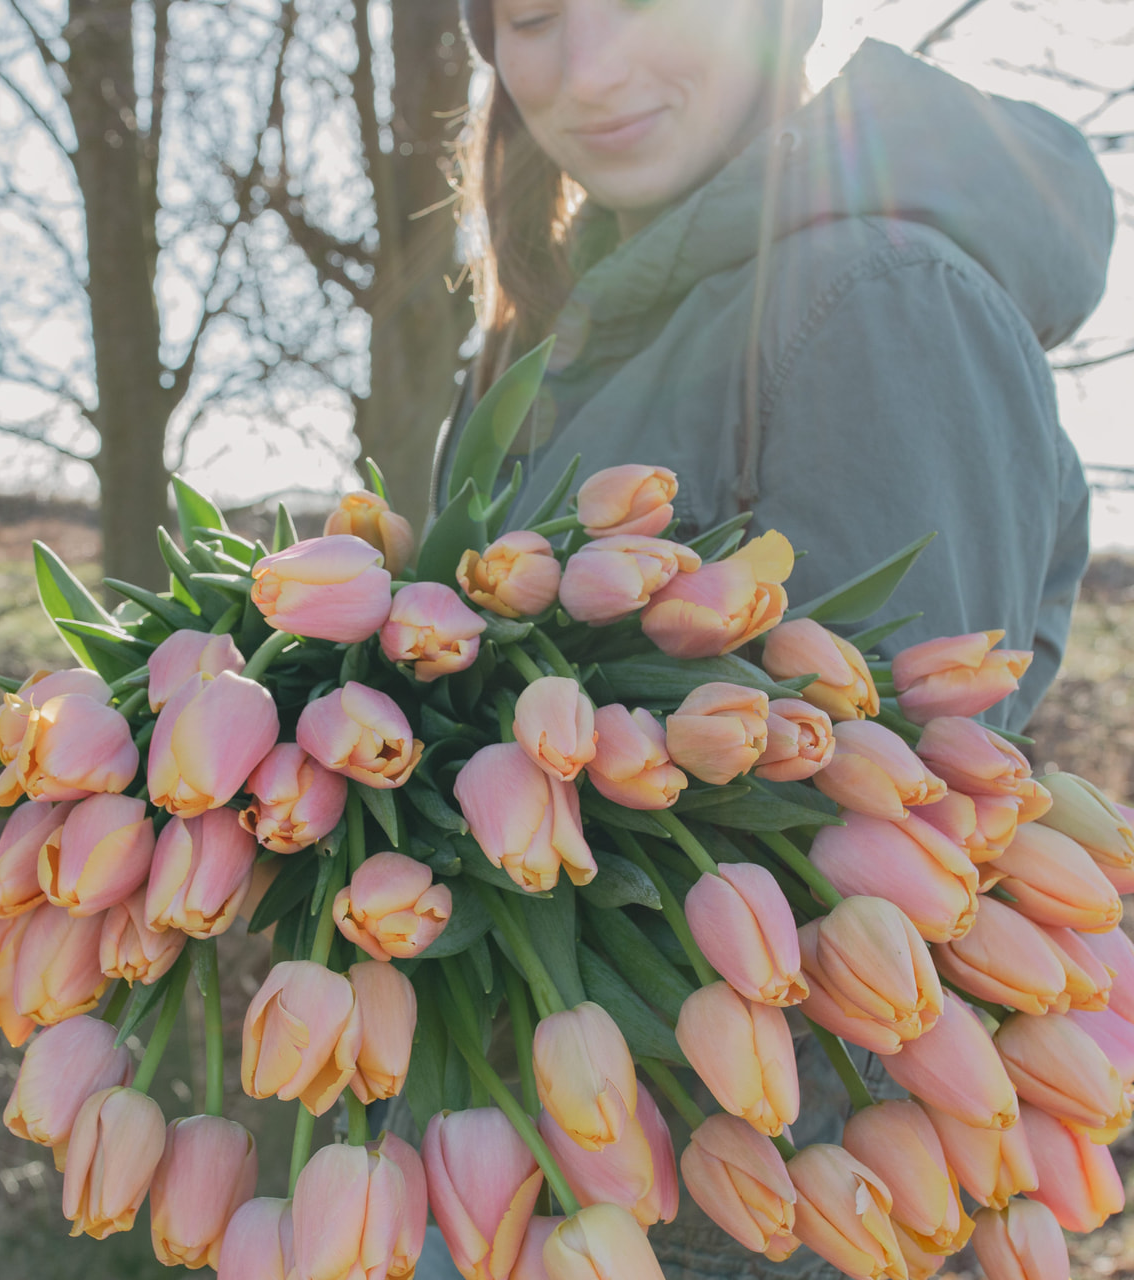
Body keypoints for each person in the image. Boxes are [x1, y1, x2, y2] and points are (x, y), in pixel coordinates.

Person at [414, 1, 1116, 1276]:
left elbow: (903, 801)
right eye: (527, 18)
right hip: (531, 1145)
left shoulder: (879, 299)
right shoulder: (530, 339)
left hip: (773, 1186)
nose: (587, 70)